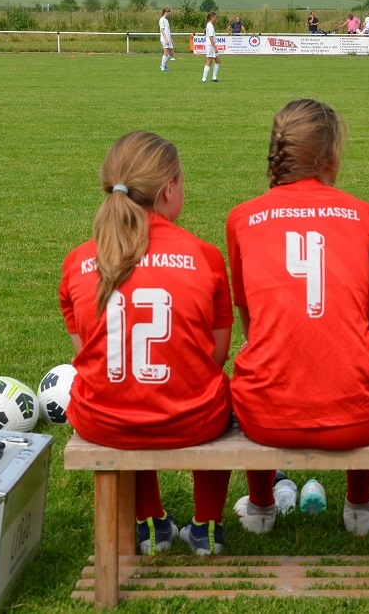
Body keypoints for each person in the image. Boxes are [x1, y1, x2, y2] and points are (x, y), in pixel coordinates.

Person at [59, 131, 234, 556]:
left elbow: (89, 353)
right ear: (169, 188)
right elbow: (216, 354)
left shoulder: (77, 261)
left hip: (103, 421)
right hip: (194, 420)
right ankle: (206, 527)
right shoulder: (204, 255)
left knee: (123, 391)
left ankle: (151, 523)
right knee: (220, 388)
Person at [226, 99, 369, 537]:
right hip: (358, 416)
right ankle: (359, 505)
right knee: (355, 360)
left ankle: (261, 506)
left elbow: (251, 326)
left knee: (257, 358)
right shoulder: (368, 217)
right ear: (331, 156)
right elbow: (364, 321)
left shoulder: (242, 218)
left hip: (265, 418)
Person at [202, 11, 220, 83]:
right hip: (210, 46)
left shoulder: (210, 25)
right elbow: (210, 37)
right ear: (211, 17)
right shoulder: (210, 25)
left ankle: (214, 78)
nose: (216, 18)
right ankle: (204, 79)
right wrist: (215, 47)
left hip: (211, 45)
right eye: (215, 17)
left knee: (218, 60)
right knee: (209, 61)